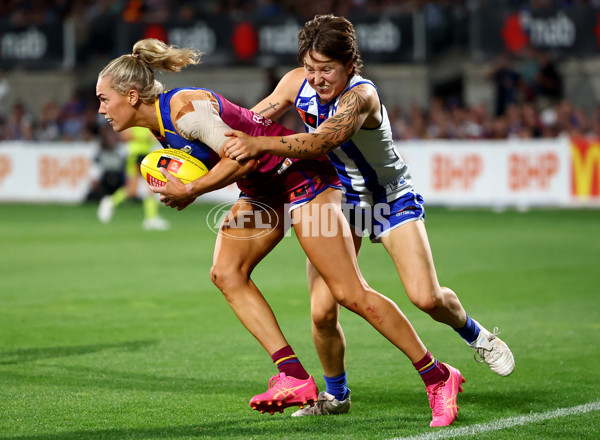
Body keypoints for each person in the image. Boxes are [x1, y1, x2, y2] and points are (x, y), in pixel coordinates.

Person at [96, 38, 465, 427]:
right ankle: (293, 375)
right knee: (226, 273)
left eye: (104, 99)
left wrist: (191, 189)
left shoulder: (184, 110)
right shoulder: (160, 123)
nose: (101, 109)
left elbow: (243, 154)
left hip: (301, 178)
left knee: (348, 292)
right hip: (262, 190)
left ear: (132, 96)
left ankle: (438, 376)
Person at [222, 14, 514, 417]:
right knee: (323, 311)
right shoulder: (295, 82)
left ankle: (475, 335)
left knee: (425, 297)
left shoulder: (361, 98)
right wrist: (204, 140)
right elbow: (250, 122)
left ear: (350, 65)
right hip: (338, 200)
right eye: (310, 68)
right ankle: (336, 396)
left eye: (326, 69)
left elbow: (321, 141)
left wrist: (260, 146)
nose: (316, 78)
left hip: (389, 199)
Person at [97, 125, 170, 230]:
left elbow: (155, 137)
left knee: (150, 187)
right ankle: (111, 202)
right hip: (135, 154)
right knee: (133, 190)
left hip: (147, 155)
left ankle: (151, 218)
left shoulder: (147, 121)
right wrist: (144, 137)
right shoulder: (133, 120)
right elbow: (125, 136)